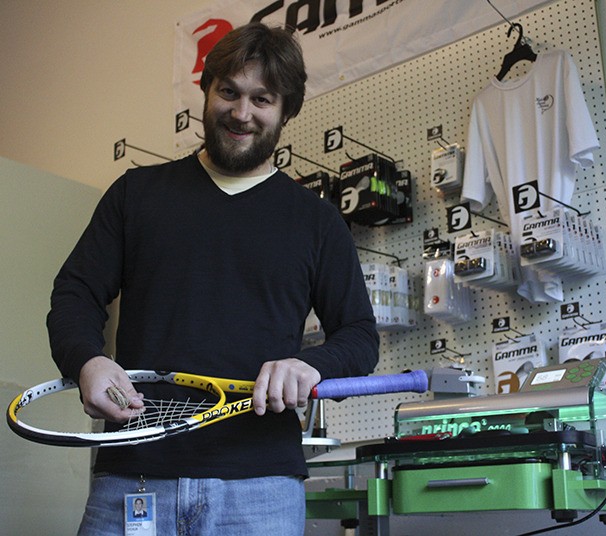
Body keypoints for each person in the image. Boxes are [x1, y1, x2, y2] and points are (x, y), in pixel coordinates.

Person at [47, 21, 379, 536]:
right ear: (206, 91)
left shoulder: (315, 221)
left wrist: (311, 366)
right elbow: (75, 293)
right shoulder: (136, 194)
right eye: (229, 92)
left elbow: (359, 334)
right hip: (133, 480)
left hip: (261, 491)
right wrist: (87, 360)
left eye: (262, 99)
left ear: (286, 112)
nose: (241, 113)